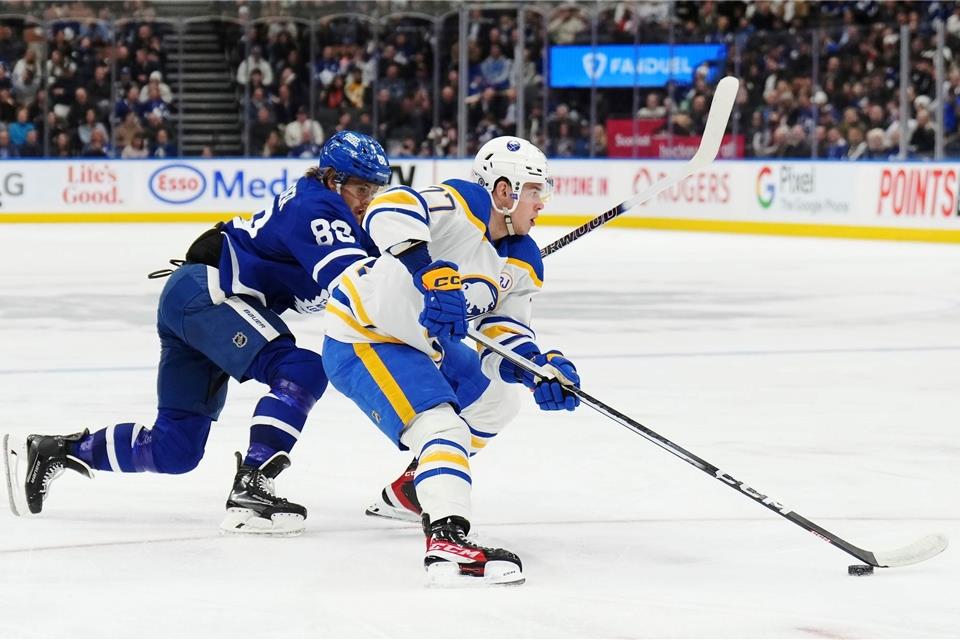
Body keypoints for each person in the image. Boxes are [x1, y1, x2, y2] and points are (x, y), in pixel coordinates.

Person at [2, 131, 391, 537]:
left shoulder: (341, 217)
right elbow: (357, 285)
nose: (368, 200)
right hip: (207, 294)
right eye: (361, 188)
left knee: (175, 449)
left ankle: (52, 451)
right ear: (332, 179)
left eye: (375, 190)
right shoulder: (320, 208)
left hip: (198, 302)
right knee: (303, 369)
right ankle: (252, 483)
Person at [321, 136, 580, 585]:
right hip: (364, 333)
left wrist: (539, 368)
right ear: (504, 190)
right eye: (535, 190)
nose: (542, 203)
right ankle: (447, 541)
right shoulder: (464, 202)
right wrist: (428, 270)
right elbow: (388, 209)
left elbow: (502, 334)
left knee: (500, 401)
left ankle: (411, 491)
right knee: (442, 426)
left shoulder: (521, 257)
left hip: (421, 343)